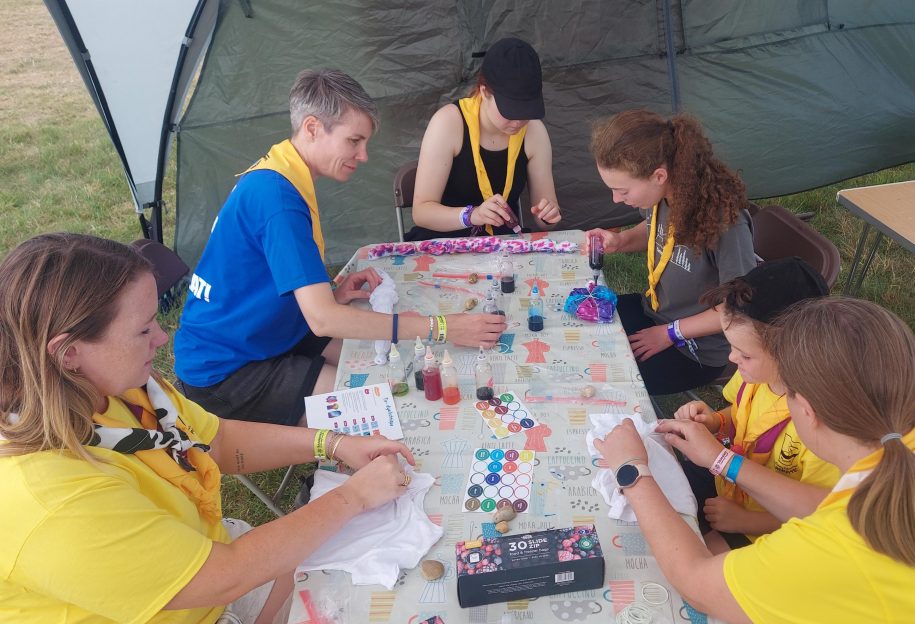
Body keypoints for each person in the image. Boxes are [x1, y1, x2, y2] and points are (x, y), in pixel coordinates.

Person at [0, 233, 418, 623]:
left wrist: (333, 442)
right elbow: (226, 575)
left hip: (209, 556)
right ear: (68, 352)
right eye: (143, 329)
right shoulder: (50, 499)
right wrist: (354, 497)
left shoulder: (115, 386)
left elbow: (214, 441)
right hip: (204, 588)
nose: (162, 339)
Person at [595, 297, 915, 622]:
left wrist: (632, 471)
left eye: (784, 393)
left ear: (806, 410)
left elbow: (695, 583)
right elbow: (827, 507)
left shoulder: (833, 547)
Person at [174, 69, 506, 426]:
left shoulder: (281, 171)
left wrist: (331, 292)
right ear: (313, 128)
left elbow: (269, 279)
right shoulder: (278, 199)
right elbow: (323, 320)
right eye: (354, 141)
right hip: (226, 370)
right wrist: (442, 327)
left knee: (389, 372)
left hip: (270, 331)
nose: (363, 155)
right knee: (382, 413)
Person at [673, 257, 840, 553]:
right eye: (732, 346)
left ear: (792, 353)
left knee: (691, 562)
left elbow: (822, 511)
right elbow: (741, 416)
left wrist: (747, 521)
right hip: (728, 485)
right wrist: (715, 422)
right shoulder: (756, 373)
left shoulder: (826, 422)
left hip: (770, 529)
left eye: (744, 354)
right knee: (657, 494)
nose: (732, 359)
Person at [586, 110, 756, 395]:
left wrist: (669, 333)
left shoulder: (727, 225)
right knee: (580, 332)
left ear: (658, 175)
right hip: (653, 312)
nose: (616, 199)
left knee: (606, 383)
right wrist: (622, 240)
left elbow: (737, 308)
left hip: (696, 349)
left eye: (622, 191)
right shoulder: (665, 195)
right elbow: (655, 227)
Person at [408, 37, 562, 240]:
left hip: (502, 244)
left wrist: (549, 215)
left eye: (526, 112)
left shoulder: (534, 132)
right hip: (445, 243)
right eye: (510, 111)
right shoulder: (448, 123)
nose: (518, 121)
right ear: (484, 92)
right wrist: (472, 215)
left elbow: (545, 221)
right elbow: (422, 213)